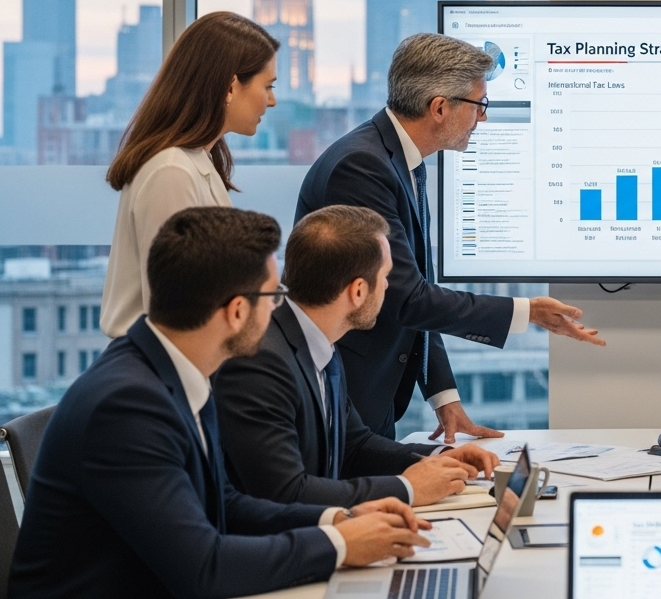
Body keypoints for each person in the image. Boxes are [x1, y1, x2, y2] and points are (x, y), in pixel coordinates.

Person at [10, 207, 432, 598]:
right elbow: (203, 568)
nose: (279, 309)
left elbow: (225, 504)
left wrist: (337, 520)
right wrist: (338, 545)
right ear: (237, 311)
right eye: (273, 295)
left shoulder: (176, 370)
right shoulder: (127, 407)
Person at [298, 33, 605, 441]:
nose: (483, 119)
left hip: (368, 400)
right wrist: (527, 311)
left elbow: (415, 288)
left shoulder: (399, 161)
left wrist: (444, 396)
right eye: (480, 105)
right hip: (345, 402)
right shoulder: (362, 167)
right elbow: (408, 299)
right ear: (440, 107)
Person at [215, 205, 502, 507]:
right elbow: (286, 493)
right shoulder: (260, 362)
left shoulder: (319, 340)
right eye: (385, 276)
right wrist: (407, 488)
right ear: (359, 291)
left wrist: (441, 456)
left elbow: (354, 445)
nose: (388, 286)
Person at [101, 11, 280, 338]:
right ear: (230, 86)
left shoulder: (196, 160)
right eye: (267, 86)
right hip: (159, 364)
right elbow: (175, 311)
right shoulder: (171, 172)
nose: (272, 100)